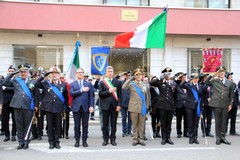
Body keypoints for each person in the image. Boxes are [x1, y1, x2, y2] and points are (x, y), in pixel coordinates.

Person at [2, 63, 37, 150]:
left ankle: (26, 141)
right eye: (21, 72)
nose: (23, 73)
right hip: (17, 105)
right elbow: (4, 82)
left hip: (28, 106)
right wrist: (12, 73)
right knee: (19, 125)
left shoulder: (33, 82)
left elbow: (36, 95)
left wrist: (36, 105)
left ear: (28, 72)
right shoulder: (16, 80)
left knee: (27, 125)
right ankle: (20, 141)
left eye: (25, 71)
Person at [35, 66, 68, 149]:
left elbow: (65, 96)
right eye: (52, 73)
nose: (54, 75)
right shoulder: (46, 83)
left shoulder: (63, 84)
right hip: (49, 108)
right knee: (50, 126)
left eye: (56, 73)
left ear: (59, 75)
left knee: (57, 126)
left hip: (58, 108)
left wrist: (66, 108)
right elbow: (36, 84)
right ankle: (51, 142)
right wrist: (43, 76)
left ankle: (57, 142)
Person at [205, 66, 234, 145]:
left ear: (225, 73)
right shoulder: (214, 81)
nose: (222, 73)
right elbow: (206, 82)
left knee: (224, 121)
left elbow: (231, 95)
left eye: (223, 72)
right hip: (216, 104)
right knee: (218, 121)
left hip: (225, 104)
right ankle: (218, 138)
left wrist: (230, 104)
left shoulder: (229, 82)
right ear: (218, 73)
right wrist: (213, 75)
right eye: (220, 72)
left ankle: (223, 137)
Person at [149, 67, 177, 145]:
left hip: (170, 106)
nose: (168, 75)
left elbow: (176, 95)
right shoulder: (160, 82)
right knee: (163, 123)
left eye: (169, 74)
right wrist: (158, 78)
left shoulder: (173, 83)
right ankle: (164, 138)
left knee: (169, 123)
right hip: (162, 106)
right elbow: (150, 83)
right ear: (164, 74)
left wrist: (175, 106)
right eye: (166, 74)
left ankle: (168, 138)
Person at [122, 68, 149, 146]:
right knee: (134, 124)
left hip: (142, 107)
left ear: (142, 75)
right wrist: (131, 78)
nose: (138, 76)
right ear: (134, 76)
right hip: (133, 107)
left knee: (141, 124)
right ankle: (135, 139)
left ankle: (141, 139)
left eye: (139, 74)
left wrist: (147, 107)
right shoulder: (131, 84)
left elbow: (146, 96)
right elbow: (124, 87)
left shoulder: (145, 84)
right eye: (136, 75)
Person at [180, 73, 207, 144]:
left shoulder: (200, 86)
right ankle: (191, 138)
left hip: (197, 107)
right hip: (189, 106)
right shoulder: (189, 85)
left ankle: (195, 138)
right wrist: (187, 80)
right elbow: (181, 85)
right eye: (195, 78)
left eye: (197, 78)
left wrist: (212, 75)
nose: (196, 80)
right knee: (190, 122)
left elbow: (207, 82)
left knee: (196, 123)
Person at [70, 68, 94, 148]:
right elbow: (71, 93)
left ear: (83, 74)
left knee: (85, 125)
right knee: (76, 126)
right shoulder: (73, 84)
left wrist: (91, 106)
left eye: (81, 72)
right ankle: (77, 141)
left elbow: (91, 96)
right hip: (76, 107)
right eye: (78, 72)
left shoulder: (88, 84)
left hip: (86, 108)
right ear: (76, 74)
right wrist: (81, 90)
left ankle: (84, 141)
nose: (80, 74)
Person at [98, 66, 121, 146]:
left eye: (111, 71)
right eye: (108, 71)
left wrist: (119, 105)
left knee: (113, 124)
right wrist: (109, 91)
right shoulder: (102, 82)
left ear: (113, 72)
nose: (110, 73)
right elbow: (100, 94)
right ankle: (105, 139)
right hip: (105, 106)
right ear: (106, 73)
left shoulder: (117, 82)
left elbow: (120, 95)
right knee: (105, 124)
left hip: (115, 106)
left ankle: (113, 139)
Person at [1, 65, 17, 142]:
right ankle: (7, 135)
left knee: (15, 119)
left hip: (14, 102)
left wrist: (6, 88)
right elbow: (1, 89)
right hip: (5, 102)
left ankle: (13, 134)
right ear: (7, 71)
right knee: (5, 120)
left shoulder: (17, 80)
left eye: (12, 71)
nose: (10, 72)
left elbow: (16, 89)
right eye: (9, 71)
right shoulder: (3, 80)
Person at [199, 73, 214, 137]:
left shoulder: (210, 85)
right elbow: (200, 91)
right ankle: (204, 131)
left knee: (209, 118)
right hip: (203, 104)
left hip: (210, 103)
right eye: (205, 78)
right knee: (203, 118)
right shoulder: (201, 85)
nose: (206, 79)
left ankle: (208, 131)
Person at [174, 72, 188, 138]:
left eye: (185, 77)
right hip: (179, 104)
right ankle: (179, 132)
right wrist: (178, 78)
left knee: (186, 119)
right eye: (182, 78)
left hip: (186, 105)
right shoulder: (177, 84)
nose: (184, 79)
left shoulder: (187, 85)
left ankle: (186, 132)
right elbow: (174, 81)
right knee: (179, 120)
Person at [121, 71, 132, 137]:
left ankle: (129, 131)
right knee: (123, 118)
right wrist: (121, 74)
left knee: (130, 119)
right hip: (123, 103)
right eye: (127, 75)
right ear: (125, 76)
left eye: (129, 75)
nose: (128, 76)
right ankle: (124, 132)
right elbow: (116, 79)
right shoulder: (121, 82)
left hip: (131, 103)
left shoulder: (132, 83)